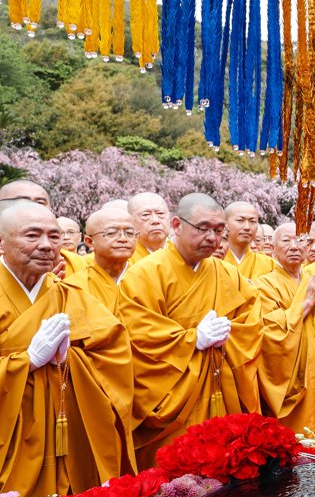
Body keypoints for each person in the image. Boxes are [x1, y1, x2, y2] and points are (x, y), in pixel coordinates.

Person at [0, 201, 135, 497]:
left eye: (54, 237)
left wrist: (74, 359)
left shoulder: (72, 295)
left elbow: (115, 357)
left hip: (72, 434)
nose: (46, 246)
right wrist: (26, 361)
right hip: (9, 441)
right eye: (32, 235)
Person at [117, 193, 263, 468]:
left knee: (226, 471)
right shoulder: (144, 274)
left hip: (221, 384)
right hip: (172, 396)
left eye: (219, 231)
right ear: (177, 225)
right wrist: (193, 339)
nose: (212, 237)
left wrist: (229, 332)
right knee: (174, 483)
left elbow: (251, 320)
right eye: (203, 228)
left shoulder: (227, 273)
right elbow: (137, 332)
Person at [256, 223, 315, 443]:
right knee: (300, 443)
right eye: (286, 241)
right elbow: (269, 332)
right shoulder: (265, 285)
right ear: (272, 247)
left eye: (300, 241)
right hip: (295, 379)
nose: (294, 246)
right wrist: (307, 303)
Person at [67, 208, 137, 311]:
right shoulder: (75, 285)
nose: (123, 239)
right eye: (112, 233)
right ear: (90, 242)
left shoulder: (147, 278)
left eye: (130, 233)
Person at [222, 201, 273, 279]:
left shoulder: (270, 264)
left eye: (252, 221)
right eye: (240, 220)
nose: (247, 227)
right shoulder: (213, 260)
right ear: (225, 224)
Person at [127, 192, 172, 265]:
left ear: (169, 216)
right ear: (130, 221)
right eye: (145, 215)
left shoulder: (183, 253)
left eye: (160, 213)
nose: (155, 220)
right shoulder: (125, 257)